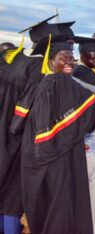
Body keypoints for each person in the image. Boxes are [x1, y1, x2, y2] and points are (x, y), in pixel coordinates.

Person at [20, 34, 95, 234]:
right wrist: (56, 145)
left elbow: (93, 97)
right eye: (63, 58)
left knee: (68, 201)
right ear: (50, 62)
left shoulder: (67, 81)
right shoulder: (49, 85)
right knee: (57, 203)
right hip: (48, 152)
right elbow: (42, 127)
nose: (69, 62)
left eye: (71, 58)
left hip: (61, 148)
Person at [0, 14, 65, 234]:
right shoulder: (38, 67)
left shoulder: (12, 60)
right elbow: (27, 108)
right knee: (13, 193)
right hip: (15, 138)